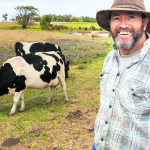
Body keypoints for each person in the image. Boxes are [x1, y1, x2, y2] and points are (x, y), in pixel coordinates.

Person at [93, 0, 150, 149]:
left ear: (144, 23)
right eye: (116, 18)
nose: (123, 24)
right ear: (110, 23)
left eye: (131, 17)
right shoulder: (110, 58)